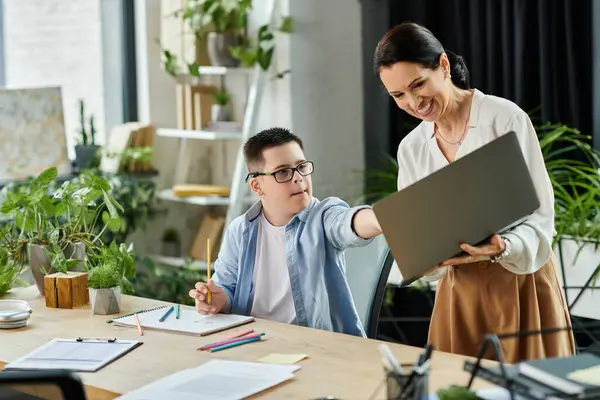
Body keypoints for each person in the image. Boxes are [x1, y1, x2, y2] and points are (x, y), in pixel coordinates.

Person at [374, 22, 575, 362]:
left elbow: (540, 216)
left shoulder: (504, 118)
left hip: (520, 283)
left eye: (418, 84)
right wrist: (420, 258)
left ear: (444, 66)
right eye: (398, 96)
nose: (413, 102)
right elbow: (419, 233)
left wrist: (505, 247)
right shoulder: (412, 148)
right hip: (458, 293)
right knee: (457, 389)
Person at [188, 127, 383, 337]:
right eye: (283, 172)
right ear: (257, 186)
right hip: (251, 342)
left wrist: (384, 218)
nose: (298, 178)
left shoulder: (322, 217)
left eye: (301, 167)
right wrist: (217, 300)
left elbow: (347, 222)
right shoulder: (240, 230)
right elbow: (226, 288)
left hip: (314, 347)